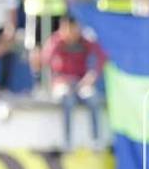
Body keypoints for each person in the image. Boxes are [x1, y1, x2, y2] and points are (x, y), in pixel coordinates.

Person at [43, 15, 106, 150]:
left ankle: (96, 140)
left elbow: (102, 56)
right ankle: (67, 140)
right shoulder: (56, 41)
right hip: (62, 83)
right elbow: (45, 60)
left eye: (75, 29)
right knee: (67, 99)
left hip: (80, 82)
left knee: (93, 98)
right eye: (69, 29)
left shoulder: (85, 41)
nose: (72, 33)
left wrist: (92, 76)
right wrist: (57, 80)